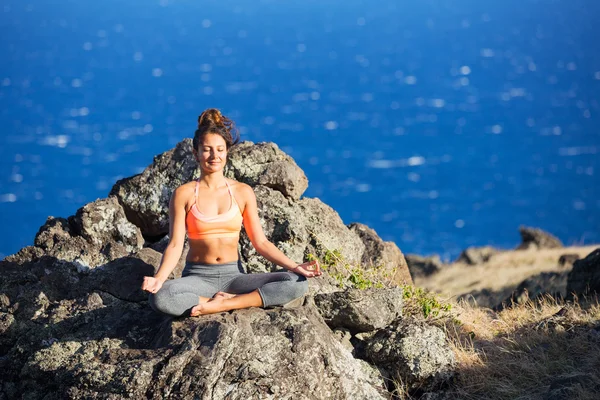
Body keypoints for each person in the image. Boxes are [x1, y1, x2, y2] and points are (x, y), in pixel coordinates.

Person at [142, 108, 321, 317]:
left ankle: (225, 304)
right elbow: (174, 244)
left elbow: (261, 242)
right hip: (198, 278)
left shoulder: (242, 192)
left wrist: (295, 266)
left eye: (219, 149)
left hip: (235, 278)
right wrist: (159, 278)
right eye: (207, 149)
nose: (214, 155)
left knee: (297, 283)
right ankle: (218, 302)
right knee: (161, 296)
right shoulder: (184, 194)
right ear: (196, 152)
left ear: (227, 151)